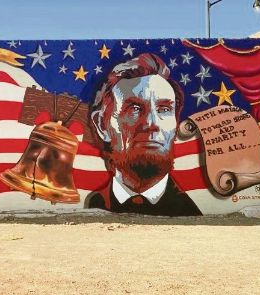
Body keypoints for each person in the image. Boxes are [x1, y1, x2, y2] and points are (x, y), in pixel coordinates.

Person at [85, 53, 201, 215]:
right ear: (101, 125)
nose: (152, 123)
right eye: (134, 109)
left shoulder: (190, 213)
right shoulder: (94, 205)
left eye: (164, 109)